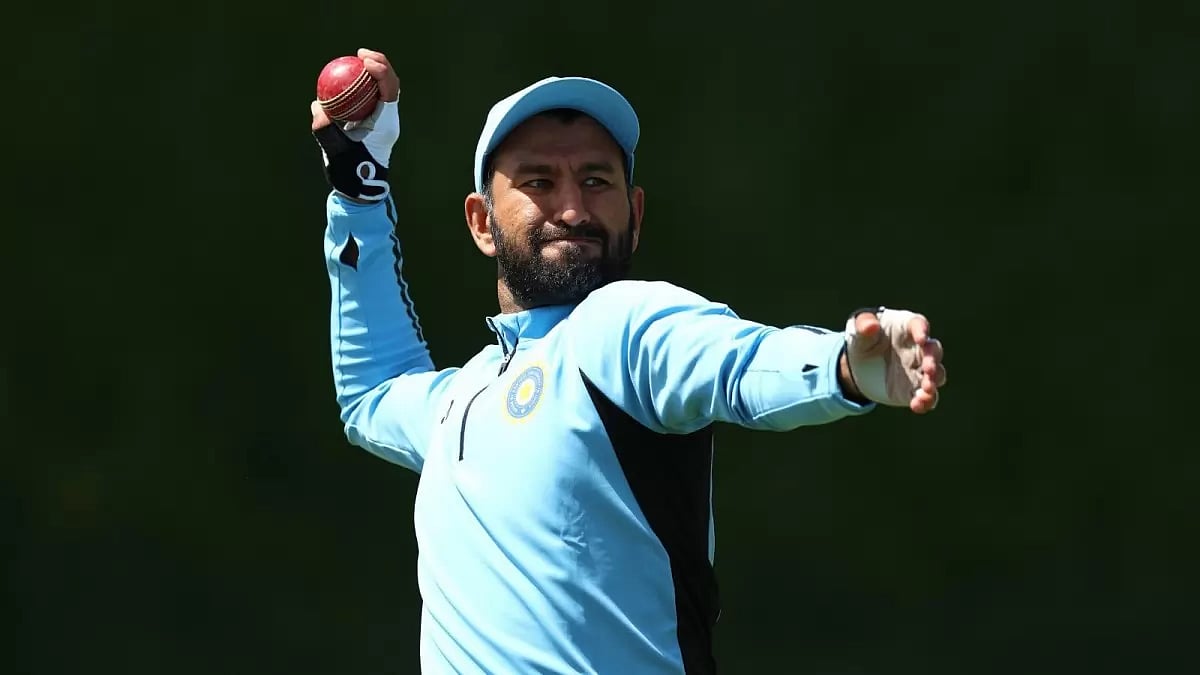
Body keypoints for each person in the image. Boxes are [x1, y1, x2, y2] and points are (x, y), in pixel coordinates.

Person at [310, 48, 947, 675]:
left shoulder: (621, 326)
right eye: (538, 182)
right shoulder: (458, 401)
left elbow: (734, 362)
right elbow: (375, 390)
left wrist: (841, 366)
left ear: (634, 214)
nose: (573, 209)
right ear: (482, 223)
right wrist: (358, 188)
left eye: (596, 181)